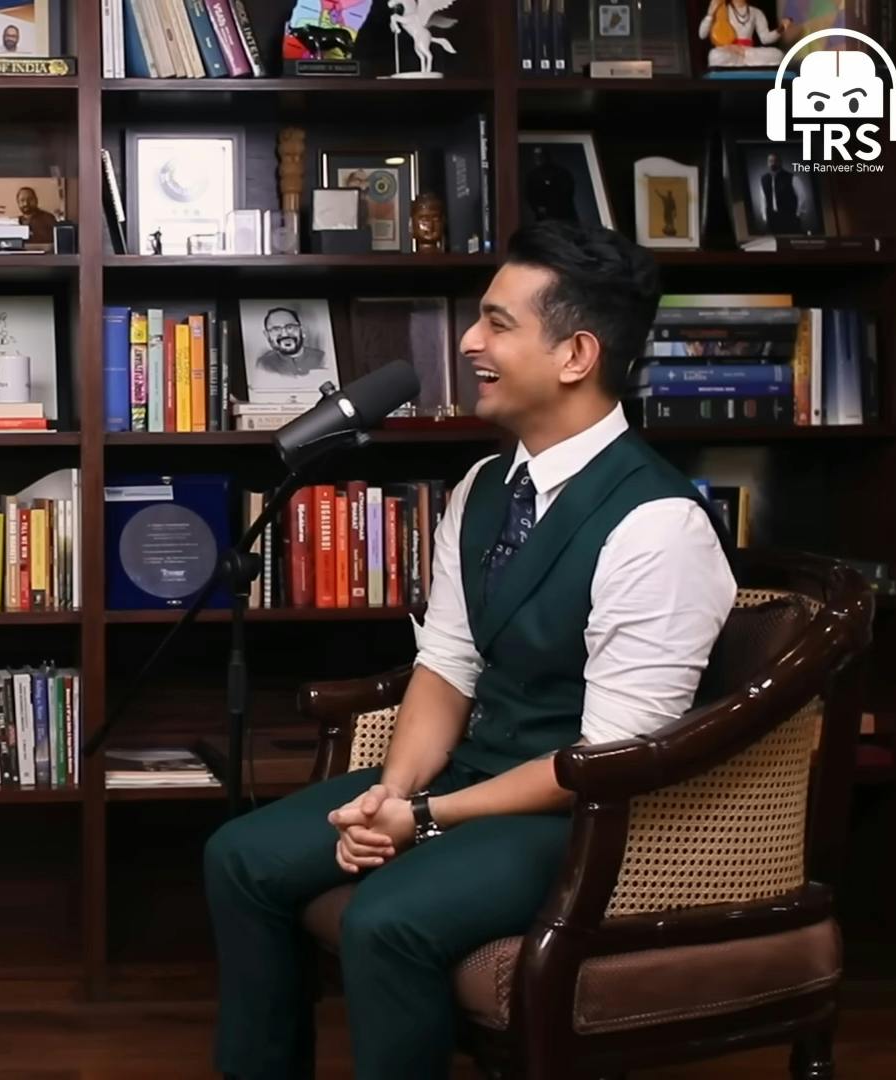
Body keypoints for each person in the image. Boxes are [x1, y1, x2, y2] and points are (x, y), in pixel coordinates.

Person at [203, 221, 735, 1080]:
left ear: (576, 355)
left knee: (388, 919)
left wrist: (427, 821)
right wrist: (395, 790)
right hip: (470, 781)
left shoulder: (658, 525)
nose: (469, 341)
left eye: (497, 322)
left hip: (580, 817)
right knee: (240, 857)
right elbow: (447, 665)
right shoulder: (486, 488)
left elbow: (606, 760)